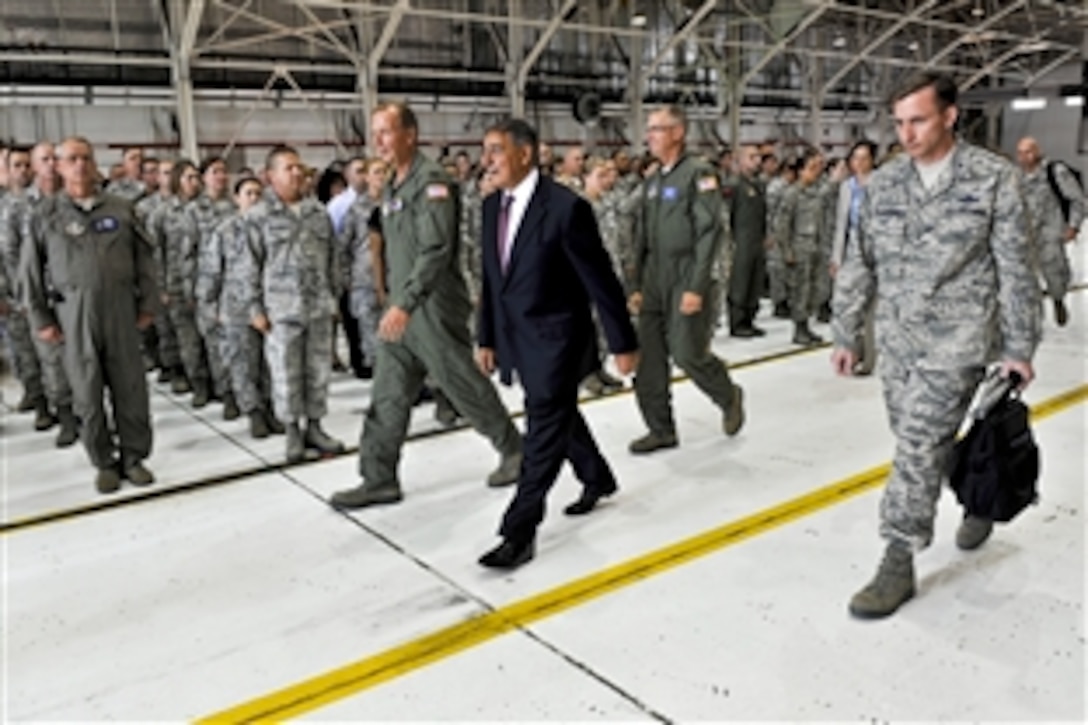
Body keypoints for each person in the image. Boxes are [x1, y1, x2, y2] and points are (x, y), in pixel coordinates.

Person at [831, 72, 1041, 619]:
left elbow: (1016, 267)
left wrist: (1020, 346)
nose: (906, 133)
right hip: (898, 343)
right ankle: (977, 494)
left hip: (959, 340)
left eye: (918, 120)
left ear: (950, 115)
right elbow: (860, 262)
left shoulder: (992, 179)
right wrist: (847, 331)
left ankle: (898, 556)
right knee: (918, 440)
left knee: (917, 445)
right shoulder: (882, 185)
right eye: (898, 123)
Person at [328, 101, 523, 510]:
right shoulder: (395, 186)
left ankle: (514, 449)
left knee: (462, 384)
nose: (378, 140)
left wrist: (406, 302)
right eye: (375, 132)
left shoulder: (432, 182)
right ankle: (378, 478)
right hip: (403, 307)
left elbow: (435, 250)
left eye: (386, 131)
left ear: (410, 135)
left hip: (431, 306)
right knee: (387, 394)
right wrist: (395, 301)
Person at [475, 119, 639, 569]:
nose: (486, 160)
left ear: (525, 154)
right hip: (516, 339)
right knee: (558, 415)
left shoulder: (566, 209)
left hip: (557, 341)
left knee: (542, 430)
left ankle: (518, 531)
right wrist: (486, 335)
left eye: (496, 150)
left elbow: (600, 281)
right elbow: (493, 281)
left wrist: (623, 342)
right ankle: (597, 476)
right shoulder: (492, 209)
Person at [22, 136, 160, 493]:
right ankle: (103, 461)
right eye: (71, 159)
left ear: (94, 162)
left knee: (130, 386)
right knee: (86, 391)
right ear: (60, 166)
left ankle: (134, 457)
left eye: (85, 158)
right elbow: (30, 271)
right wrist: (41, 319)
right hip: (74, 315)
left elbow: (145, 260)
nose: (80, 165)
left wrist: (148, 304)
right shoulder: (45, 215)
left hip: (121, 310)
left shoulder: (121, 209)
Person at [627, 105, 745, 455]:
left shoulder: (699, 175)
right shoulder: (652, 181)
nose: (650, 136)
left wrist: (696, 286)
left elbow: (709, 232)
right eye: (649, 130)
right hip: (653, 279)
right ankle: (660, 428)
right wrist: (634, 285)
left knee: (686, 352)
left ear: (678, 133)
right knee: (647, 360)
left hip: (685, 276)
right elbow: (641, 239)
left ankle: (728, 394)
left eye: (657, 129)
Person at [244, 146, 344, 462]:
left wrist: (334, 297)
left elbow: (334, 259)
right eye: (289, 168)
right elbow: (247, 266)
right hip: (280, 312)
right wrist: (255, 309)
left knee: (318, 372)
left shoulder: (318, 213)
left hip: (317, 307)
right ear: (270, 176)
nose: (297, 173)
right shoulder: (258, 217)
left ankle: (315, 426)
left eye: (299, 167)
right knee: (286, 374)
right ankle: (291, 432)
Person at [198, 176, 283, 439]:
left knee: (268, 364)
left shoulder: (272, 228)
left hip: (269, 306)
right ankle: (253, 412)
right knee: (243, 364)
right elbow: (211, 271)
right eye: (248, 193)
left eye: (258, 193)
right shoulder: (224, 230)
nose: (254, 198)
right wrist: (209, 306)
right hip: (235, 309)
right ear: (237, 198)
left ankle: (269, 408)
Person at [831, 140, 879, 374]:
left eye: (864, 158)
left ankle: (868, 359)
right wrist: (836, 257)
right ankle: (850, 351)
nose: (859, 163)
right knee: (847, 305)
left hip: (879, 251)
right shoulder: (847, 187)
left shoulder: (881, 184)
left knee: (873, 308)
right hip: (854, 252)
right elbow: (842, 224)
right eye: (855, 158)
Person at [773, 147, 829, 346]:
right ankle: (799, 328)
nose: (816, 172)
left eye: (817, 168)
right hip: (799, 250)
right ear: (801, 171)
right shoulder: (792, 194)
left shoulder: (816, 193)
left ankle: (806, 325)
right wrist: (787, 251)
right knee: (800, 291)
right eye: (811, 168)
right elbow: (781, 225)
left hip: (815, 248)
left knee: (815, 289)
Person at [1016, 137, 1073, 327]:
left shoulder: (1055, 172)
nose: (1024, 157)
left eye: (1028, 152)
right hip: (1026, 234)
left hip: (1050, 232)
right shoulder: (1017, 176)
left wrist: (1073, 226)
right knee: (1022, 277)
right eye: (1021, 153)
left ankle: (1058, 300)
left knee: (1055, 274)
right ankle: (1027, 317)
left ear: (1037, 151)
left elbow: (1077, 199)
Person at [723, 143, 768, 338]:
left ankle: (750, 318)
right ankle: (737, 321)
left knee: (754, 280)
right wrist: (728, 242)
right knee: (740, 282)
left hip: (756, 240)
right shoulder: (733, 185)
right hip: (740, 241)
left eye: (758, 157)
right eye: (751, 157)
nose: (756, 160)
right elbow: (725, 216)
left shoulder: (757, 185)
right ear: (739, 161)